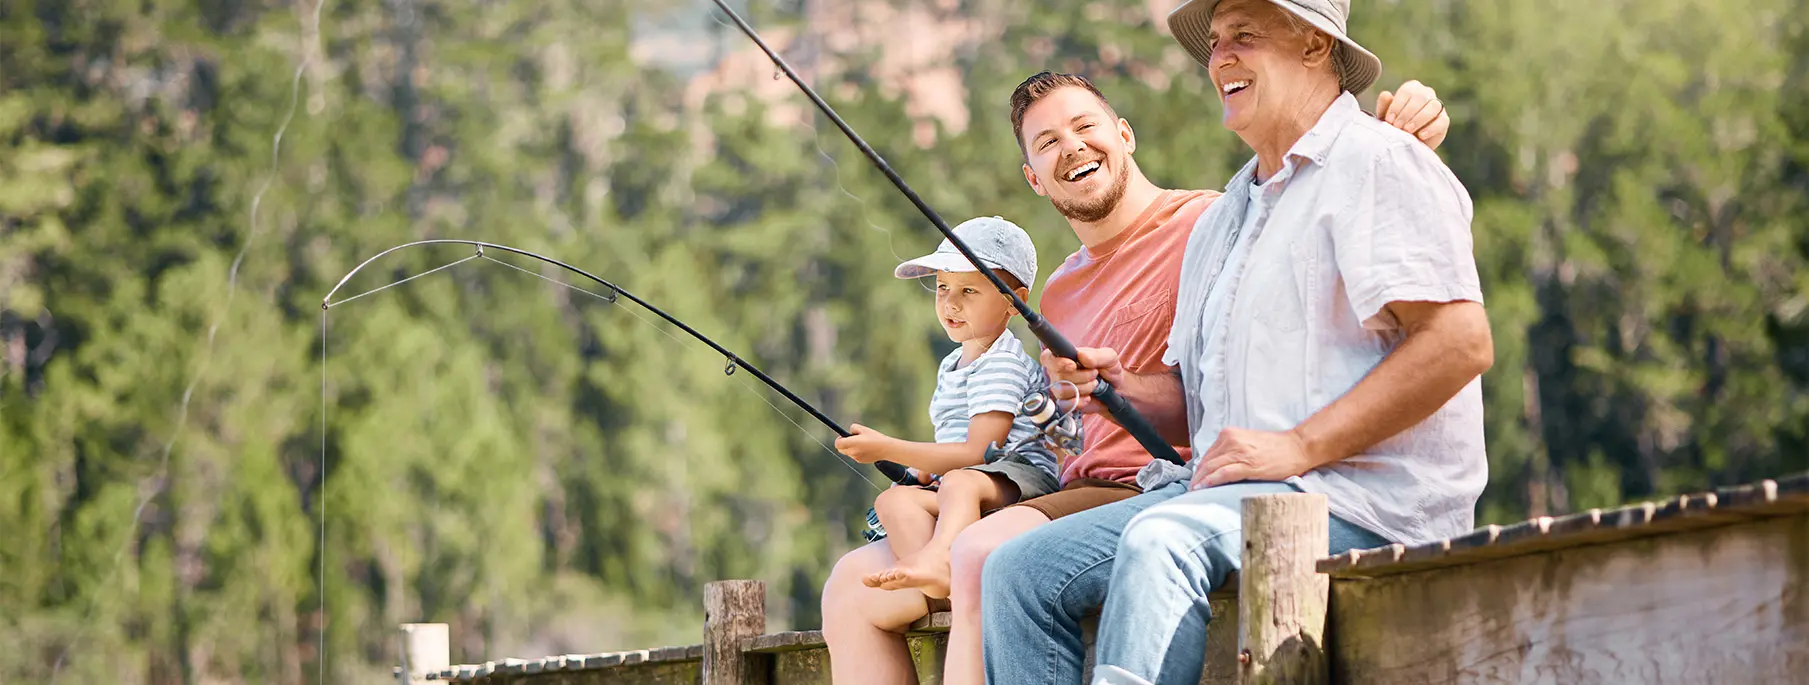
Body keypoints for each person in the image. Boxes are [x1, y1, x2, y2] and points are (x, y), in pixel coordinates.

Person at [820, 67, 1453, 685]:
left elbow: (1302, 217)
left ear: (1124, 133)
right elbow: (1062, 435)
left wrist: (1399, 128)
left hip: (1161, 490)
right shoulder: (1060, 288)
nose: (1072, 148)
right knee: (849, 587)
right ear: (1033, 179)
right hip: (1065, 495)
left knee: (983, 556)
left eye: (1084, 127)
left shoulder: (1210, 225)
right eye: (1047, 144)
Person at [985, 1, 1495, 684]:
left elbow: (1459, 342)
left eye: (1244, 37)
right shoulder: (1225, 217)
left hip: (1360, 506)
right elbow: (1197, 406)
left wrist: (1298, 446)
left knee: (1161, 540)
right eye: (1215, 42)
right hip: (1227, 499)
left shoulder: (1376, 160)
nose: (1219, 57)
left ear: (1315, 46)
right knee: (1017, 571)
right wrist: (1112, 390)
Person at [832, 216, 1063, 601]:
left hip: (1020, 482)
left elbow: (978, 453)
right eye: (942, 288)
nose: (951, 303)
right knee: (893, 500)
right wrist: (920, 471)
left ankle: (942, 563)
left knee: (959, 482)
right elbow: (953, 440)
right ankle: (939, 587)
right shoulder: (952, 364)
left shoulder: (1001, 362)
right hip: (970, 481)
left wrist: (886, 448)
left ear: (1015, 302)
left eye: (969, 290)